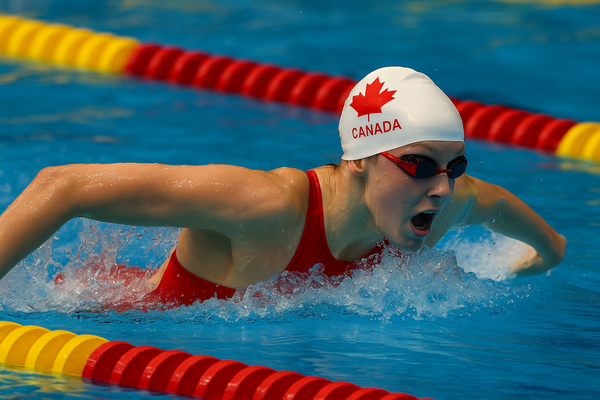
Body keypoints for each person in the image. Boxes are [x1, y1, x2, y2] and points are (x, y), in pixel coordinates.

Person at [0, 67, 566, 308]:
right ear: (361, 161)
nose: (442, 188)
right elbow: (64, 185)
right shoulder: (265, 206)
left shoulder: (439, 203)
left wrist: (529, 264)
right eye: (419, 163)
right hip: (115, 322)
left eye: (454, 166)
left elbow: (532, 232)